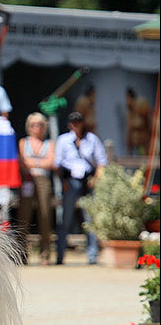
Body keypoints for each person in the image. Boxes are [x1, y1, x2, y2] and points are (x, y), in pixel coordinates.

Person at [53, 111, 108, 265]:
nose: (75, 125)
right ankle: (60, 255)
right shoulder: (63, 140)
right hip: (70, 181)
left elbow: (102, 162)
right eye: (73, 122)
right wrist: (62, 181)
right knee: (66, 218)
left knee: (90, 220)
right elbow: (57, 164)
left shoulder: (92, 139)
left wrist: (96, 180)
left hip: (88, 181)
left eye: (78, 122)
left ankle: (92, 256)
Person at [14, 112, 54, 265]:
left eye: (40, 125)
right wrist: (39, 163)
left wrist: (32, 163)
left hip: (43, 179)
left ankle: (45, 253)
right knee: (24, 216)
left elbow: (51, 162)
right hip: (27, 179)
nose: (37, 128)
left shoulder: (49, 144)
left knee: (45, 215)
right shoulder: (24, 142)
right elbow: (21, 162)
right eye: (33, 125)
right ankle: (22, 253)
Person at [125, 88, 152, 155]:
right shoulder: (129, 113)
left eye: (127, 99)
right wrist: (129, 149)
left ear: (130, 98)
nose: (126, 102)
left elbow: (148, 121)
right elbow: (129, 131)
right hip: (137, 145)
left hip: (145, 142)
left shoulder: (141, 104)